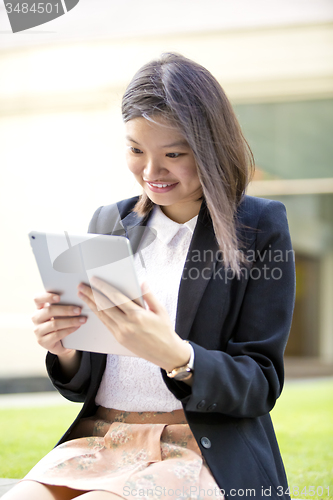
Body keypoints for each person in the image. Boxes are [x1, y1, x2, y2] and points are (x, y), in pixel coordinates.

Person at [4, 53, 295, 500]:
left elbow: (260, 384)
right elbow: (89, 377)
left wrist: (178, 355)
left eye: (173, 154)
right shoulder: (109, 220)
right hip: (102, 439)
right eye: (136, 150)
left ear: (210, 146)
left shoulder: (258, 226)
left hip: (197, 447)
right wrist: (65, 349)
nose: (151, 172)